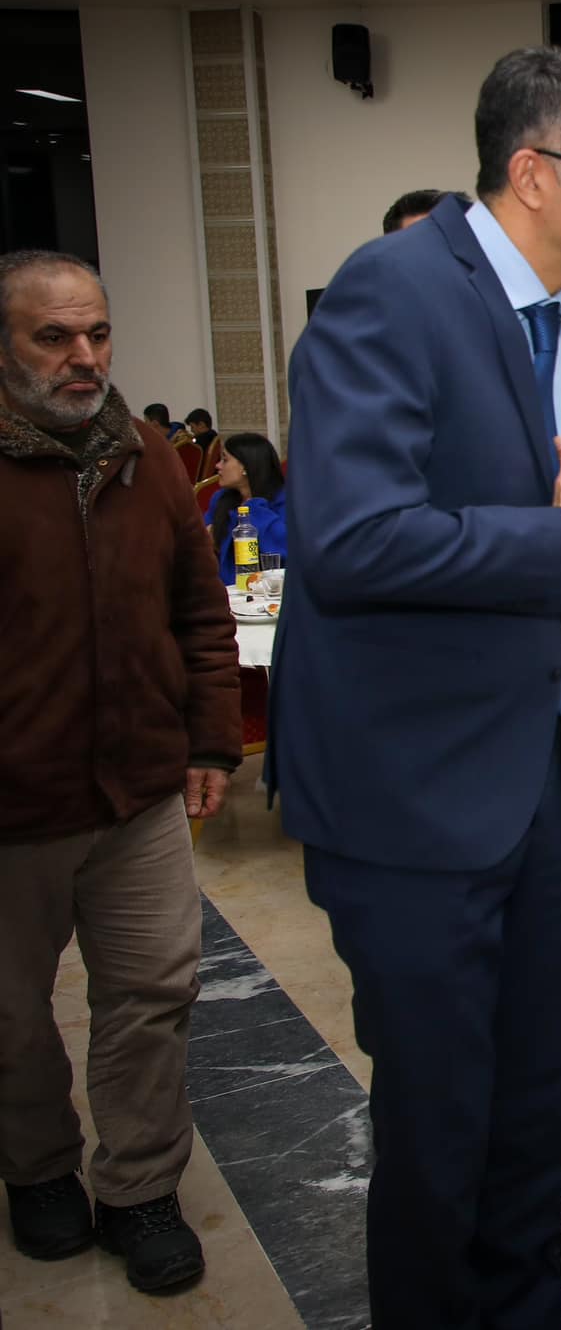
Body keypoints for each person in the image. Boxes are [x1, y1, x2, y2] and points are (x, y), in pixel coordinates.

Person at [275, 46, 561, 1327]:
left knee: (524, 1128)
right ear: (533, 171)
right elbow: (348, 543)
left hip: (533, 796)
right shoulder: (392, 290)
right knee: (439, 1136)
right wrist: (559, 531)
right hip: (411, 801)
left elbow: (539, 530)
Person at [0, 249, 240, 1293]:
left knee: (153, 994)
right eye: (53, 337)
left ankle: (139, 1186)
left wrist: (211, 740)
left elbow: (200, 612)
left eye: (96, 333)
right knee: (12, 1015)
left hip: (138, 792)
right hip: (15, 806)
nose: (84, 356)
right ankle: (37, 1167)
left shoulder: (147, 455)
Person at [202, 431, 287, 584]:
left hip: (273, 587)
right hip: (224, 588)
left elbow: (285, 549)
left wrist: (254, 509)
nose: (217, 466)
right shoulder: (221, 500)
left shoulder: (284, 501)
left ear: (246, 467)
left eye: (225, 460)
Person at [183, 406, 220, 479]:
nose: (191, 430)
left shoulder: (201, 441)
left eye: (192, 427)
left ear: (201, 425)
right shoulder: (213, 435)